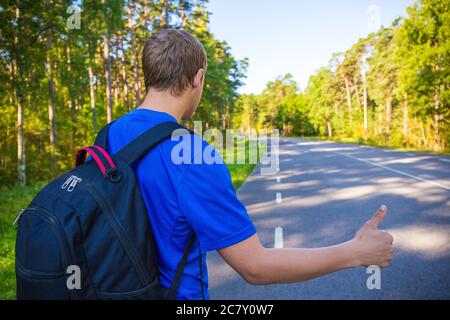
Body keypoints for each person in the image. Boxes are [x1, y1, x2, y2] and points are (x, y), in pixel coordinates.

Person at [106, 29, 394, 300]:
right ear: (198, 78)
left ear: (150, 75)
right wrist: (356, 253)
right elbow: (255, 267)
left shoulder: (107, 136)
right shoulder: (192, 154)